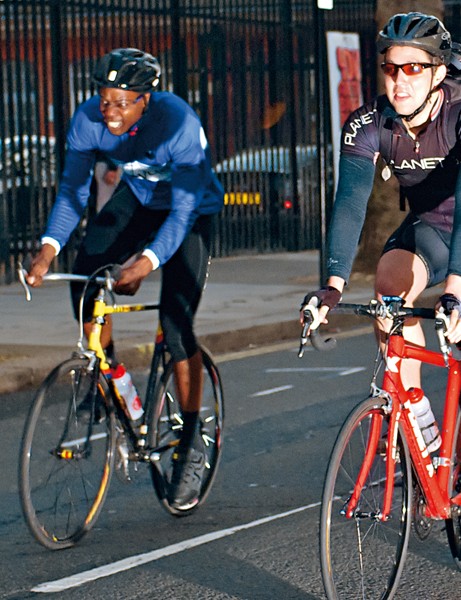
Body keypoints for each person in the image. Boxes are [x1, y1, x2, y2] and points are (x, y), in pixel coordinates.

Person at [26, 48, 224, 511]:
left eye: (122, 102)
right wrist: (48, 249)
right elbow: (73, 193)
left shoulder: (178, 123)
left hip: (190, 213)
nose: (110, 112)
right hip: (137, 202)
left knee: (177, 327)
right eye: (104, 100)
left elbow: (181, 210)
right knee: (88, 273)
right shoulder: (88, 120)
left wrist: (147, 262)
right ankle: (105, 373)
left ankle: (191, 441)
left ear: (146, 100)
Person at [302, 12, 461, 390]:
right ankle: (415, 421)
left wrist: (455, 287)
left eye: (413, 68)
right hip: (435, 227)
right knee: (389, 291)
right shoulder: (369, 123)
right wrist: (332, 284)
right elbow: (351, 201)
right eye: (391, 69)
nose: (400, 82)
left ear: (438, 73)